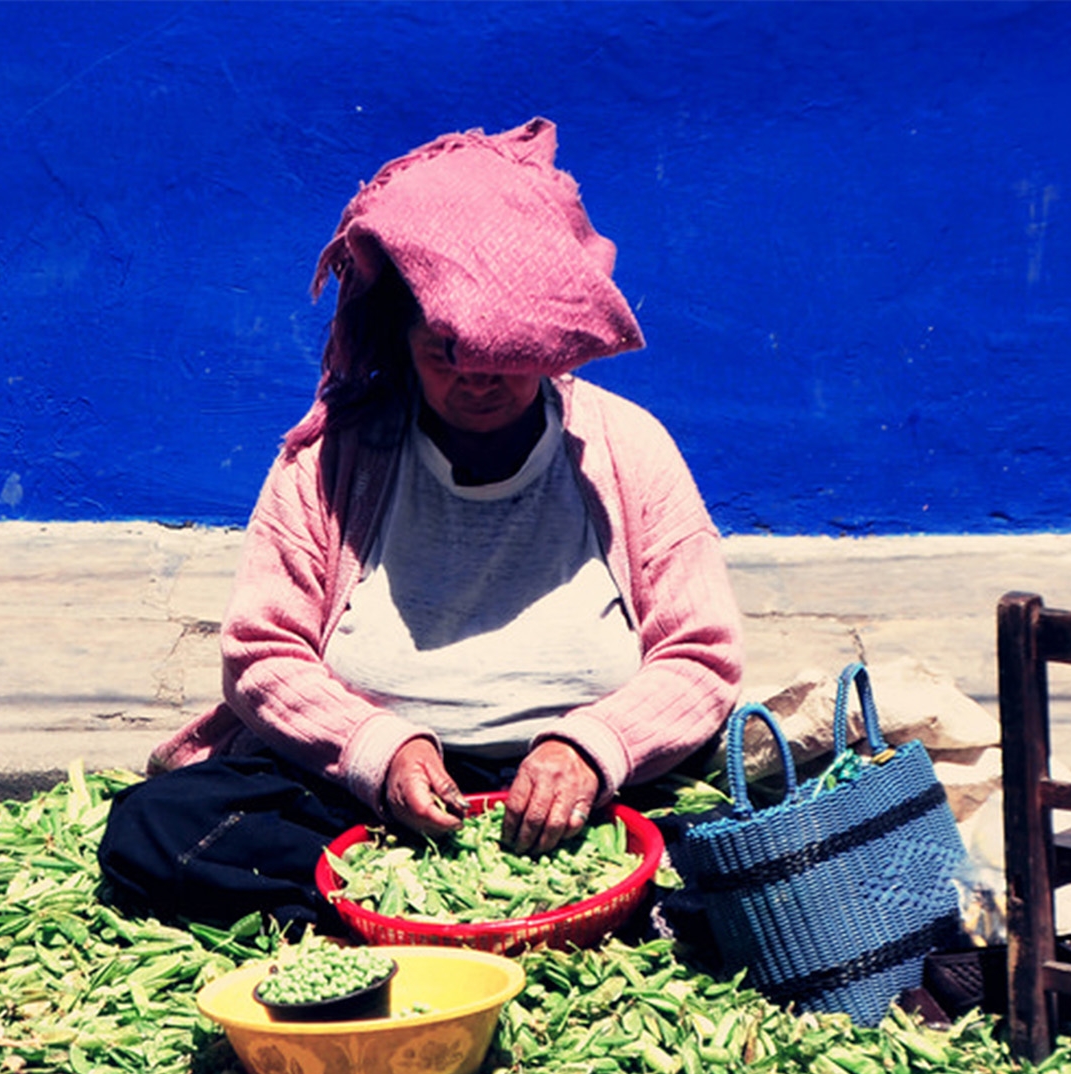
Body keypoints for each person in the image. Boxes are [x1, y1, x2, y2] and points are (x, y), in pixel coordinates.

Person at [97, 118, 743, 929]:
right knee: (156, 829)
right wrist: (378, 748)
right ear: (400, 341)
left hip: (585, 800)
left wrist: (590, 747)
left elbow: (701, 655)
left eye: (505, 359)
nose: (478, 380)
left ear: (545, 346)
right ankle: (475, 914)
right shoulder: (334, 455)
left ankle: (389, 918)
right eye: (444, 352)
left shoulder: (626, 447)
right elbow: (261, 651)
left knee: (734, 845)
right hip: (372, 803)